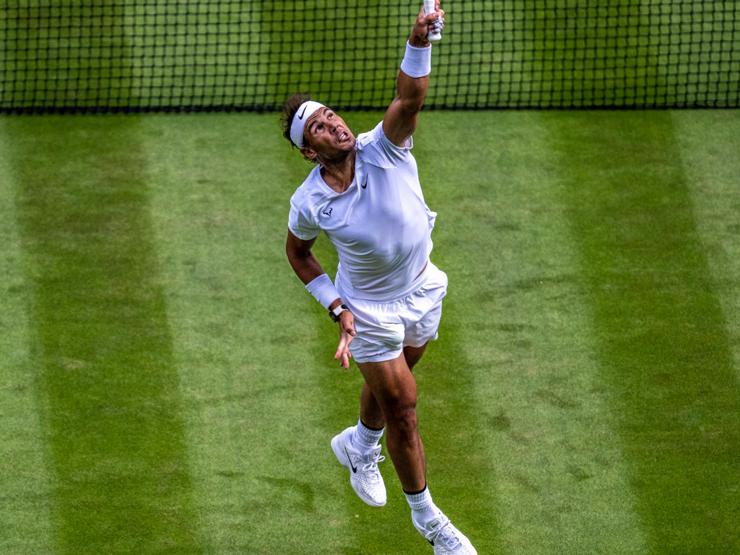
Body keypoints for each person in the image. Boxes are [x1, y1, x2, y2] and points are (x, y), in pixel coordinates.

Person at [282, 4, 476, 554]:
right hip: (368, 310)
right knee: (405, 408)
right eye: (318, 126)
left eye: (332, 115)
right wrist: (336, 305)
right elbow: (299, 254)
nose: (334, 124)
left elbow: (409, 97)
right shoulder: (309, 202)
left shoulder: (385, 145)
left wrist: (420, 40)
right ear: (308, 150)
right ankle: (431, 524)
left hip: (422, 288)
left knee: (391, 387)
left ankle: (359, 445)